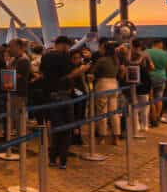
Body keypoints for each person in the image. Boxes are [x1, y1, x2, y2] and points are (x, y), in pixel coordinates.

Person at [39, 36, 87, 168]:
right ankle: (63, 160)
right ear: (64, 45)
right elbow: (67, 77)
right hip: (63, 96)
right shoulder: (64, 58)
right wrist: (81, 70)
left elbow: (42, 73)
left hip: (48, 95)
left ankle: (52, 158)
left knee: (53, 126)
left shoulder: (46, 56)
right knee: (65, 128)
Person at [91, 41, 121, 145]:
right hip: (114, 84)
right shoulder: (116, 60)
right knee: (114, 112)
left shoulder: (101, 60)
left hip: (103, 85)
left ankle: (102, 136)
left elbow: (92, 72)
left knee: (102, 112)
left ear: (105, 49)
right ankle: (116, 137)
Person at [129, 39, 154, 137]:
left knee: (134, 104)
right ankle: (145, 125)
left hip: (132, 79)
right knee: (145, 104)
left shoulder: (129, 55)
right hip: (145, 79)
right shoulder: (145, 54)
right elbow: (152, 67)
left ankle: (137, 125)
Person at [148, 39, 167, 127]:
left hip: (150, 77)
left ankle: (152, 118)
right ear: (158, 44)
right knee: (159, 97)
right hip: (161, 77)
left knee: (150, 98)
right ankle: (158, 117)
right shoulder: (164, 53)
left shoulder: (147, 52)